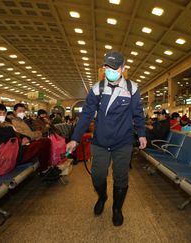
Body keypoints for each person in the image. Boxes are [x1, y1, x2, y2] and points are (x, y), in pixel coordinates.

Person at [65, 51, 146, 227]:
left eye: (114, 67)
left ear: (123, 69)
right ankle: (102, 197)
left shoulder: (132, 88)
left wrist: (141, 133)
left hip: (123, 142)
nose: (109, 70)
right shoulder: (97, 88)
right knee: (98, 176)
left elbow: (138, 114)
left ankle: (117, 209)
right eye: (107, 67)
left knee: (121, 177)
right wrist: (75, 139)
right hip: (100, 142)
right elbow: (86, 115)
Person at [0, 104, 53, 175]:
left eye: (4, 113)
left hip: (19, 150)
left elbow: (16, 134)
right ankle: (44, 169)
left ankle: (44, 168)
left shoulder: (5, 124)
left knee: (44, 141)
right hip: (11, 156)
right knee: (44, 143)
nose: (2, 115)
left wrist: (25, 138)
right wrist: (21, 145)